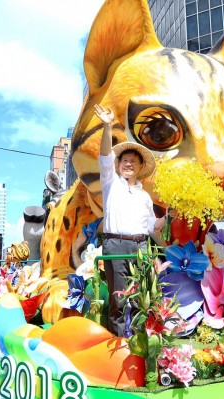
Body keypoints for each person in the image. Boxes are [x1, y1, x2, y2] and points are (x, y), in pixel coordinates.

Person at [94, 104, 175, 337]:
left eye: (133, 162)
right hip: (116, 246)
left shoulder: (144, 196)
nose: (128, 164)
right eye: (124, 160)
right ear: (118, 166)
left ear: (140, 168)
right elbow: (105, 158)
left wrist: (168, 218)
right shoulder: (111, 184)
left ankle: (142, 343)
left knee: (142, 298)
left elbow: (151, 227)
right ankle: (119, 344)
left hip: (140, 247)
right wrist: (107, 125)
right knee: (119, 300)